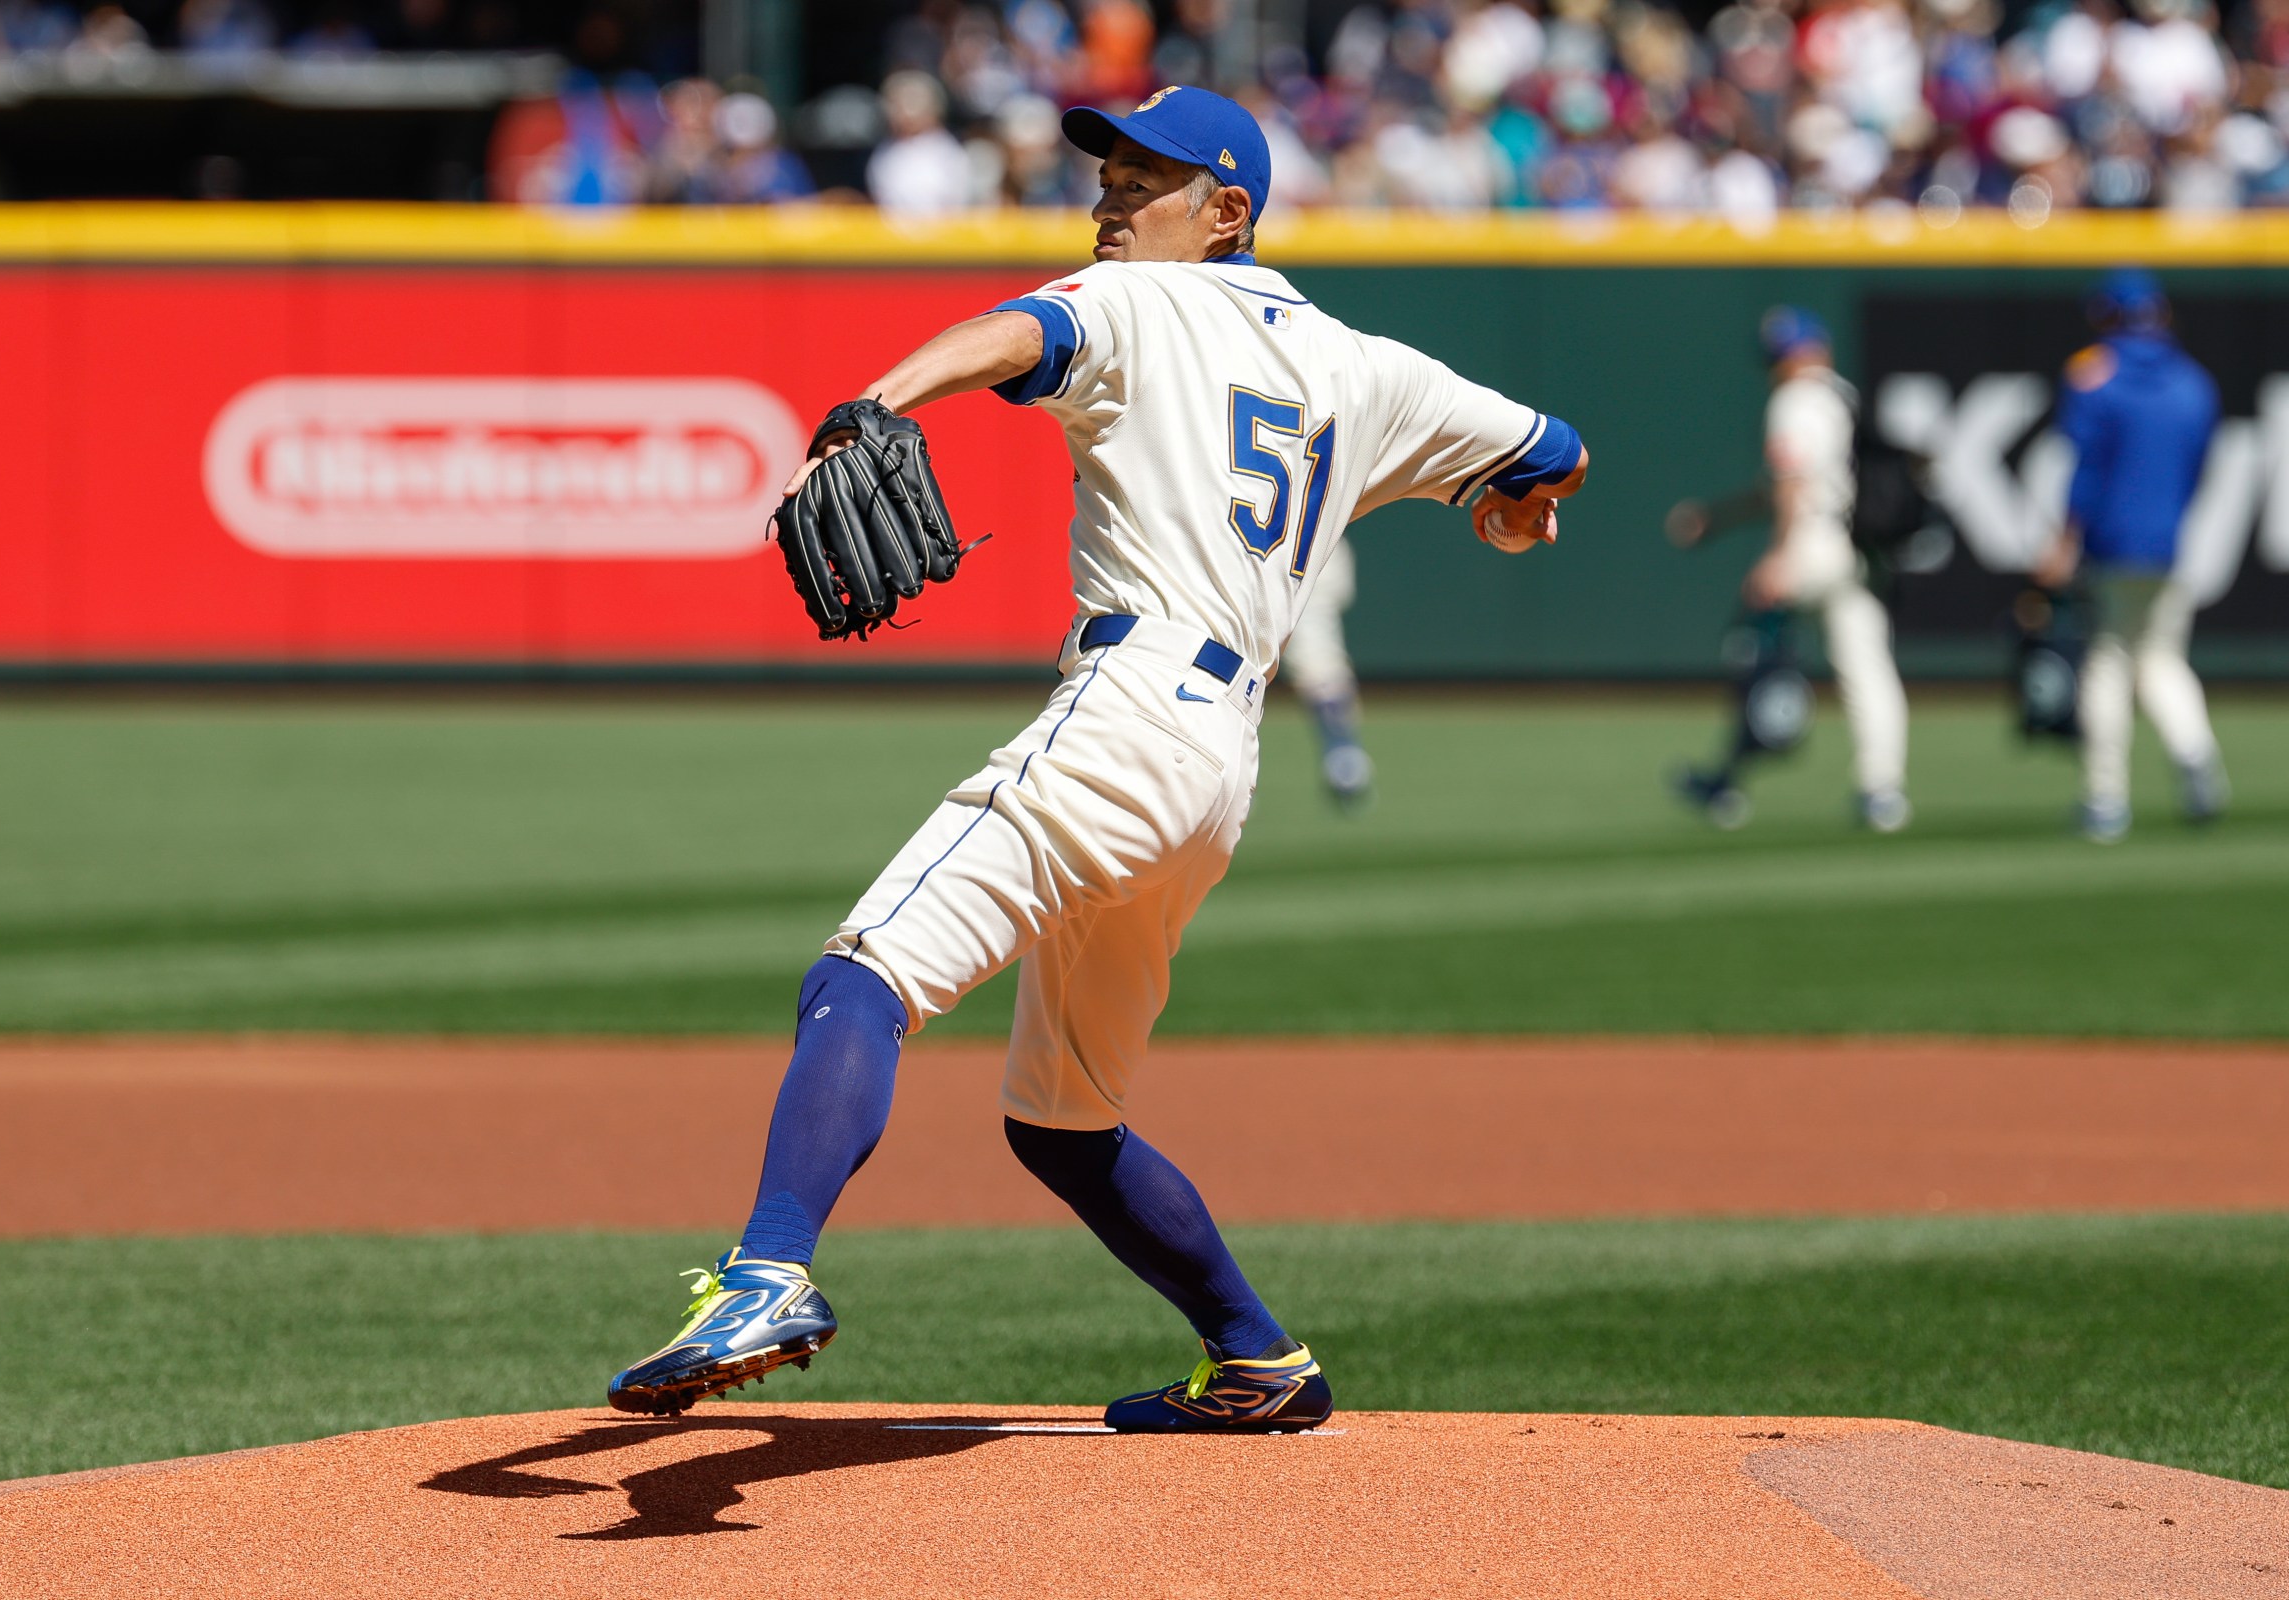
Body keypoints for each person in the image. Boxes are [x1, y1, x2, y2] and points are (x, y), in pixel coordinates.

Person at [606, 85, 1588, 1434]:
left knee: (862, 976)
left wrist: (873, 400)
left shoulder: (1141, 302)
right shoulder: (1363, 366)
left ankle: (769, 1273)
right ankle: (1256, 1358)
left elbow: (1020, 330)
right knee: (1063, 1120)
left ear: (1226, 210)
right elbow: (1554, 446)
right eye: (1110, 173)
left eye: (1147, 177)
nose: (1110, 197)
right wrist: (1513, 508)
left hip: (1126, 716)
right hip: (1217, 773)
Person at [1677, 306, 1911, 832]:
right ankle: (1883, 792)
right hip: (1860, 548)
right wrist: (1717, 519)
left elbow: (1791, 486)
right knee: (1868, 668)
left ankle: (1728, 782)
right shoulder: (1843, 395)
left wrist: (1780, 556)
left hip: (1813, 541)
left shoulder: (1795, 400)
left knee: (1753, 647)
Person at [2034, 268, 2227, 843]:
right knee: (2161, 656)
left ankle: (2105, 798)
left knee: (2110, 660)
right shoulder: (2194, 382)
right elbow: (2198, 470)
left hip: (2112, 542)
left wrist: (2066, 540)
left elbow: (2086, 471)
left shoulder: (2096, 378)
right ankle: (2195, 754)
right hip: (2167, 542)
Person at [1277, 540, 1375, 808]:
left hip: (1300, 545)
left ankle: (1343, 753)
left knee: (1316, 659)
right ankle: (1344, 755)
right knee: (1318, 657)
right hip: (1315, 541)